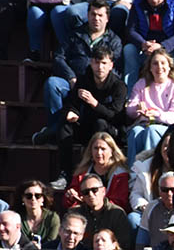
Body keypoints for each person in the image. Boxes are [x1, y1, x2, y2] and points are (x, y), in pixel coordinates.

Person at [36, 0, 123, 147]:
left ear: (107, 18)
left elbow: (116, 70)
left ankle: (56, 132)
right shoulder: (75, 35)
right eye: (93, 14)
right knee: (52, 84)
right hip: (72, 81)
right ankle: (54, 129)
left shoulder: (114, 41)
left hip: (97, 87)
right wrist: (70, 77)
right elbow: (59, 57)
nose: (96, 18)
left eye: (100, 15)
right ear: (87, 15)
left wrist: (94, 82)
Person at [52, 42, 128, 188]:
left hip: (108, 131)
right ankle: (65, 173)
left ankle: (95, 172)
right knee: (64, 126)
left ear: (111, 65)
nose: (100, 67)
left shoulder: (118, 85)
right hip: (86, 124)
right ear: (91, 63)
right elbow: (71, 102)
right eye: (96, 62)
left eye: (104, 63)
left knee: (100, 123)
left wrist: (94, 103)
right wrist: (71, 112)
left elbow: (116, 115)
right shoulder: (84, 79)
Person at [125, 49, 174, 166]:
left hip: (167, 127)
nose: (159, 67)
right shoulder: (142, 84)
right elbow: (130, 111)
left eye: (163, 63)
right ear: (150, 67)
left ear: (169, 67)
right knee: (135, 132)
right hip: (143, 124)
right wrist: (137, 109)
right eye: (155, 63)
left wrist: (155, 113)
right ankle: (132, 171)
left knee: (151, 131)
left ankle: (150, 167)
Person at [63, 131, 130, 211]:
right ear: (91, 151)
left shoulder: (120, 175)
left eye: (103, 149)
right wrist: (70, 197)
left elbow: (120, 203)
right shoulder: (82, 173)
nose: (99, 152)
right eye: (96, 148)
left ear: (111, 152)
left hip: (109, 215)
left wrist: (94, 204)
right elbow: (68, 203)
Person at [74, 173, 132, 250]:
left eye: (94, 190)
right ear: (82, 196)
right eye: (86, 192)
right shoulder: (76, 214)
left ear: (103, 191)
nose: (90, 194)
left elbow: (124, 245)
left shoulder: (116, 213)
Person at [135, 170, 174, 249]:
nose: (169, 193)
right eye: (165, 190)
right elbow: (141, 241)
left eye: (173, 190)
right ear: (159, 191)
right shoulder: (151, 207)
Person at [15, 179, 59, 247]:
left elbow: (51, 243)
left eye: (37, 196)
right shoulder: (16, 217)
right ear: (22, 198)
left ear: (43, 199)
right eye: (28, 196)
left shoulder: (52, 218)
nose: (33, 198)